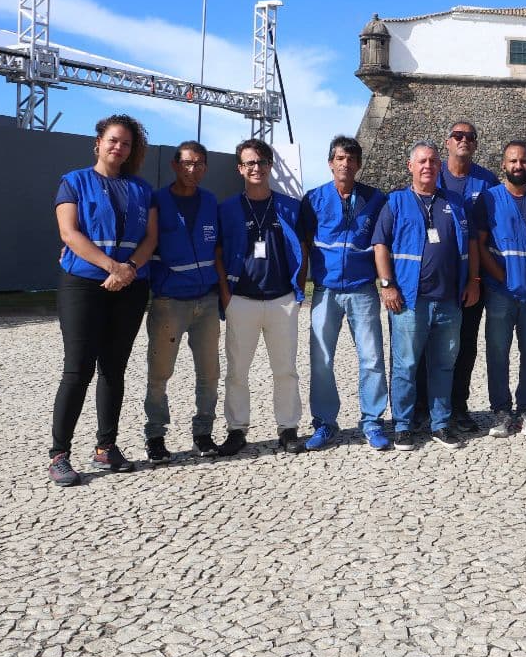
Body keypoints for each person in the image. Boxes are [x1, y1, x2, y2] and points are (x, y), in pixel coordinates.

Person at [48, 114, 158, 486]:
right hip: (84, 283)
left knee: (114, 368)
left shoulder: (142, 190)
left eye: (126, 143)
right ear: (98, 142)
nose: (119, 147)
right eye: (113, 140)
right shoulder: (74, 182)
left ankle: (105, 447)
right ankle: (59, 454)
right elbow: (69, 232)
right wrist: (112, 266)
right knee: (78, 368)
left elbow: (150, 239)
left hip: (130, 286)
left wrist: (127, 269)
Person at [373, 140, 480, 450]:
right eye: (422, 161)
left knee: (444, 365)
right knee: (406, 365)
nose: (428, 166)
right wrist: (387, 285)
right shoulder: (395, 202)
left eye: (433, 161)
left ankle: (441, 423)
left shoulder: (455, 204)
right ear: (411, 166)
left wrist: (473, 281)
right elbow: (380, 245)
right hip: (409, 300)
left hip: (449, 300)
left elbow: (470, 245)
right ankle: (403, 425)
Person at [298, 136, 389, 452]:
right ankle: (324, 423)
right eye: (339, 158)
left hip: (362, 289)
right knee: (321, 359)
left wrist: (386, 283)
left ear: (358, 164)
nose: (345, 164)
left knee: (372, 358)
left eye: (351, 159)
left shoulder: (375, 199)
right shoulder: (314, 199)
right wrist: (300, 283)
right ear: (330, 162)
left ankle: (372, 420)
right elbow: (305, 246)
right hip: (325, 290)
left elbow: (381, 243)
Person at [216, 139, 306, 457]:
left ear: (271, 166)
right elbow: (217, 251)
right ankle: (237, 429)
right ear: (240, 168)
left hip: (282, 299)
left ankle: (288, 428)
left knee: (285, 369)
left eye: (262, 162)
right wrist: (226, 295)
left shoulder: (289, 207)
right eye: (249, 163)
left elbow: (303, 248)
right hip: (242, 299)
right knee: (237, 370)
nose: (256, 168)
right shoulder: (227, 208)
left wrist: (298, 290)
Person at [142, 140, 220, 464]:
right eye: (187, 163)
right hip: (169, 302)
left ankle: (203, 432)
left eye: (200, 163)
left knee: (209, 373)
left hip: (207, 301)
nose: (193, 169)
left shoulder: (211, 201)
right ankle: (156, 435)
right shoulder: (157, 201)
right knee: (160, 373)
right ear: (175, 165)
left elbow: (217, 248)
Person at [473, 140, 526, 438]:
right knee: (498, 352)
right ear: (503, 165)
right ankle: (501, 411)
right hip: (501, 291)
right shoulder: (489, 199)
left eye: (523, 161)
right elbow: (479, 245)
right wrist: (502, 279)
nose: (518, 166)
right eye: (512, 161)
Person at [438, 120, 500, 435]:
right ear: (447, 142)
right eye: (458, 136)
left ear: (475, 144)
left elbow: (489, 232)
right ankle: (428, 409)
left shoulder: (487, 181)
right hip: (435, 278)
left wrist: (477, 279)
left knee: (465, 346)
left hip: (471, 279)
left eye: (469, 137)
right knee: (430, 346)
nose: (464, 141)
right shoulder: (432, 174)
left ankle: (459, 406)